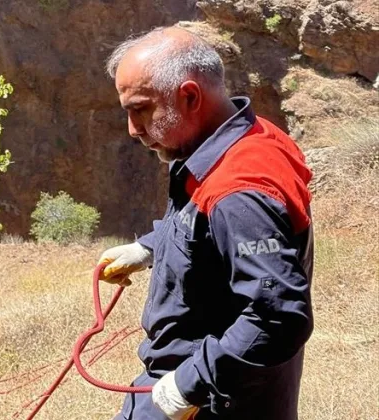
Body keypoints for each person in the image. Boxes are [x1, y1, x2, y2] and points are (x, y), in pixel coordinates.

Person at [99, 27, 314, 420]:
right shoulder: (241, 139)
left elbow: (278, 315)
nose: (133, 129)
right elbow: (203, 221)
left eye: (141, 108)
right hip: (194, 383)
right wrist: (149, 246)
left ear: (190, 97)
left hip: (212, 399)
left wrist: (189, 385)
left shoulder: (240, 189)